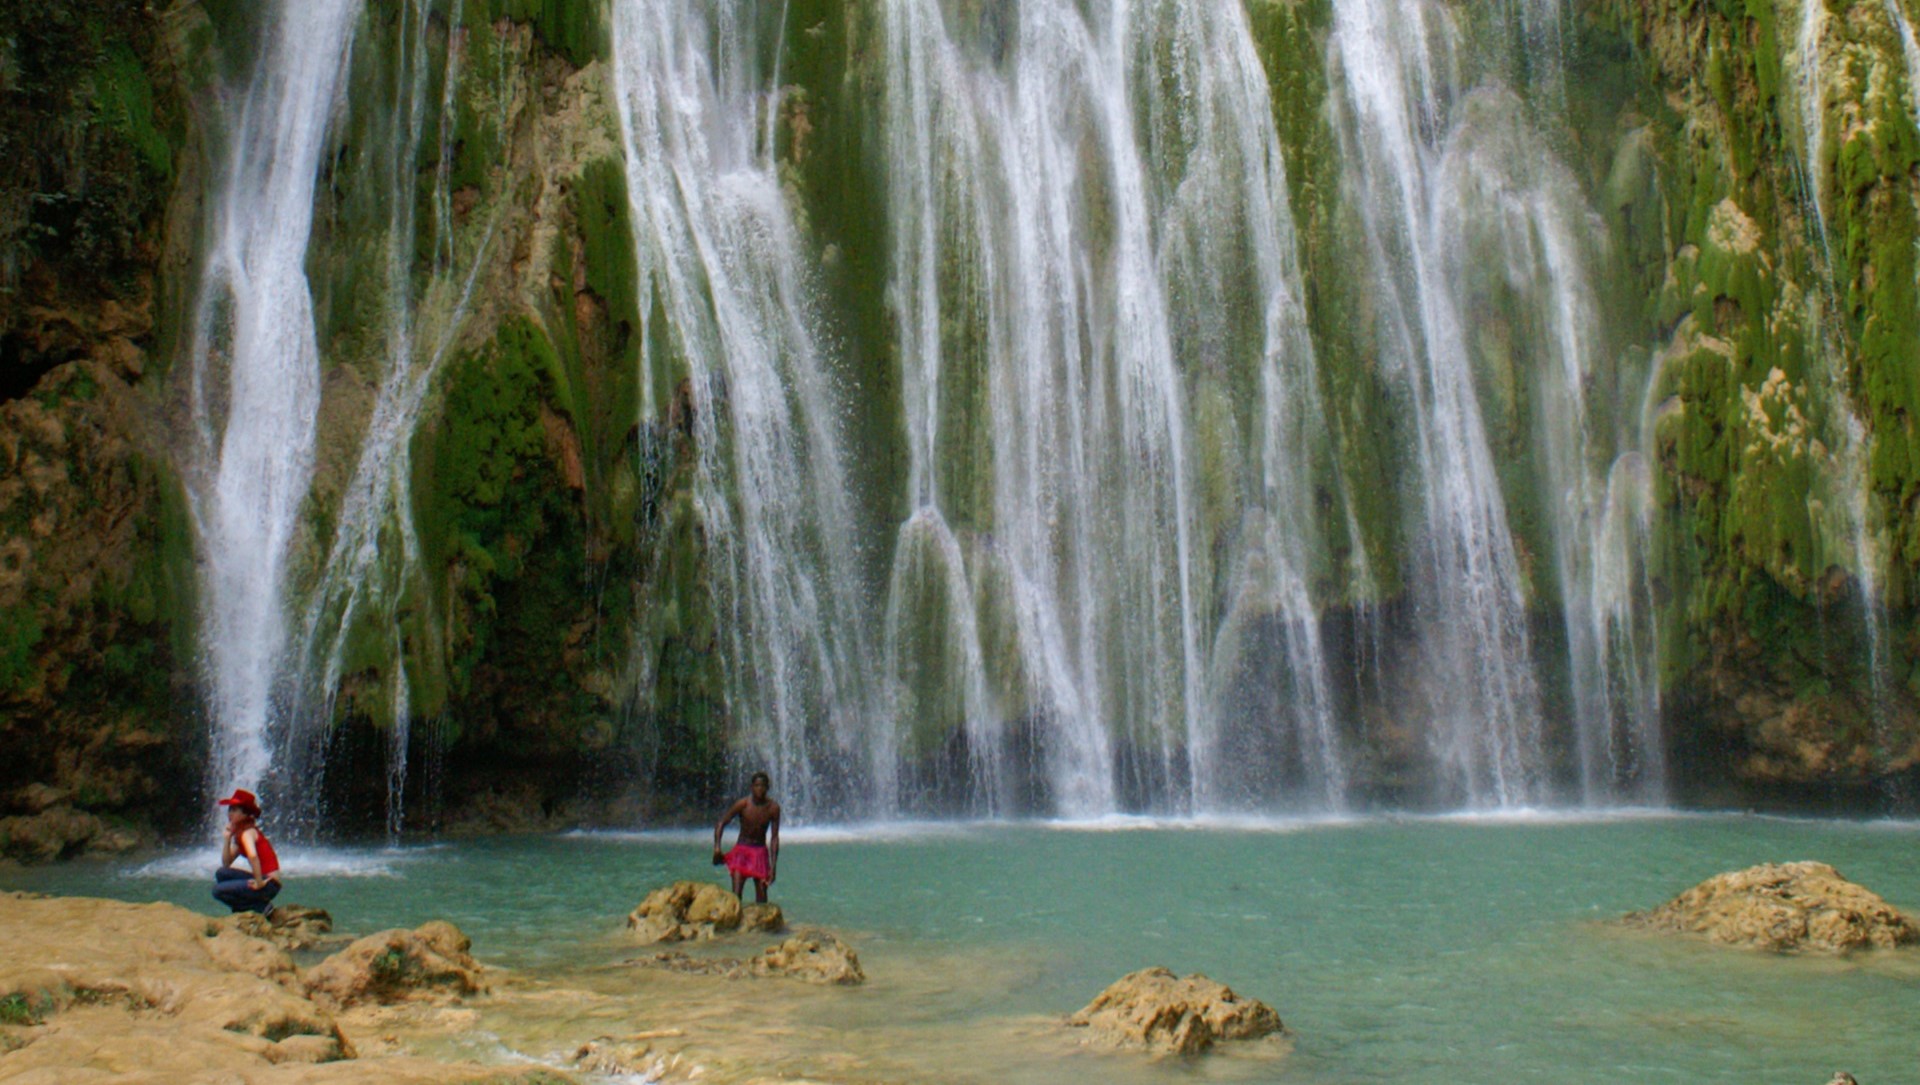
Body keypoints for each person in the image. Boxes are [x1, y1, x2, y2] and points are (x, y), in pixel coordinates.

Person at [712, 771, 780, 903]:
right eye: (757, 785)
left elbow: (774, 838)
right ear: (751, 787)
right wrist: (717, 848)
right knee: (736, 895)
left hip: (760, 852)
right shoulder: (743, 804)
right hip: (742, 851)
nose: (759, 789)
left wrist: (773, 866)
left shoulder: (773, 808)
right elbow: (721, 823)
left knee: (762, 898)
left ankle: (760, 923)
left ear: (768, 788)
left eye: (763, 786)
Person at [212, 788, 282, 917]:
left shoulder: (247, 833)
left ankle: (260, 907)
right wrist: (227, 839)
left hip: (269, 884)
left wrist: (259, 881)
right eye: (230, 809)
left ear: (245, 814)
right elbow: (226, 863)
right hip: (265, 880)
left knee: (217, 891)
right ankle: (247, 908)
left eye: (234, 810)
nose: (230, 814)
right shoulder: (241, 834)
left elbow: (253, 855)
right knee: (221, 873)